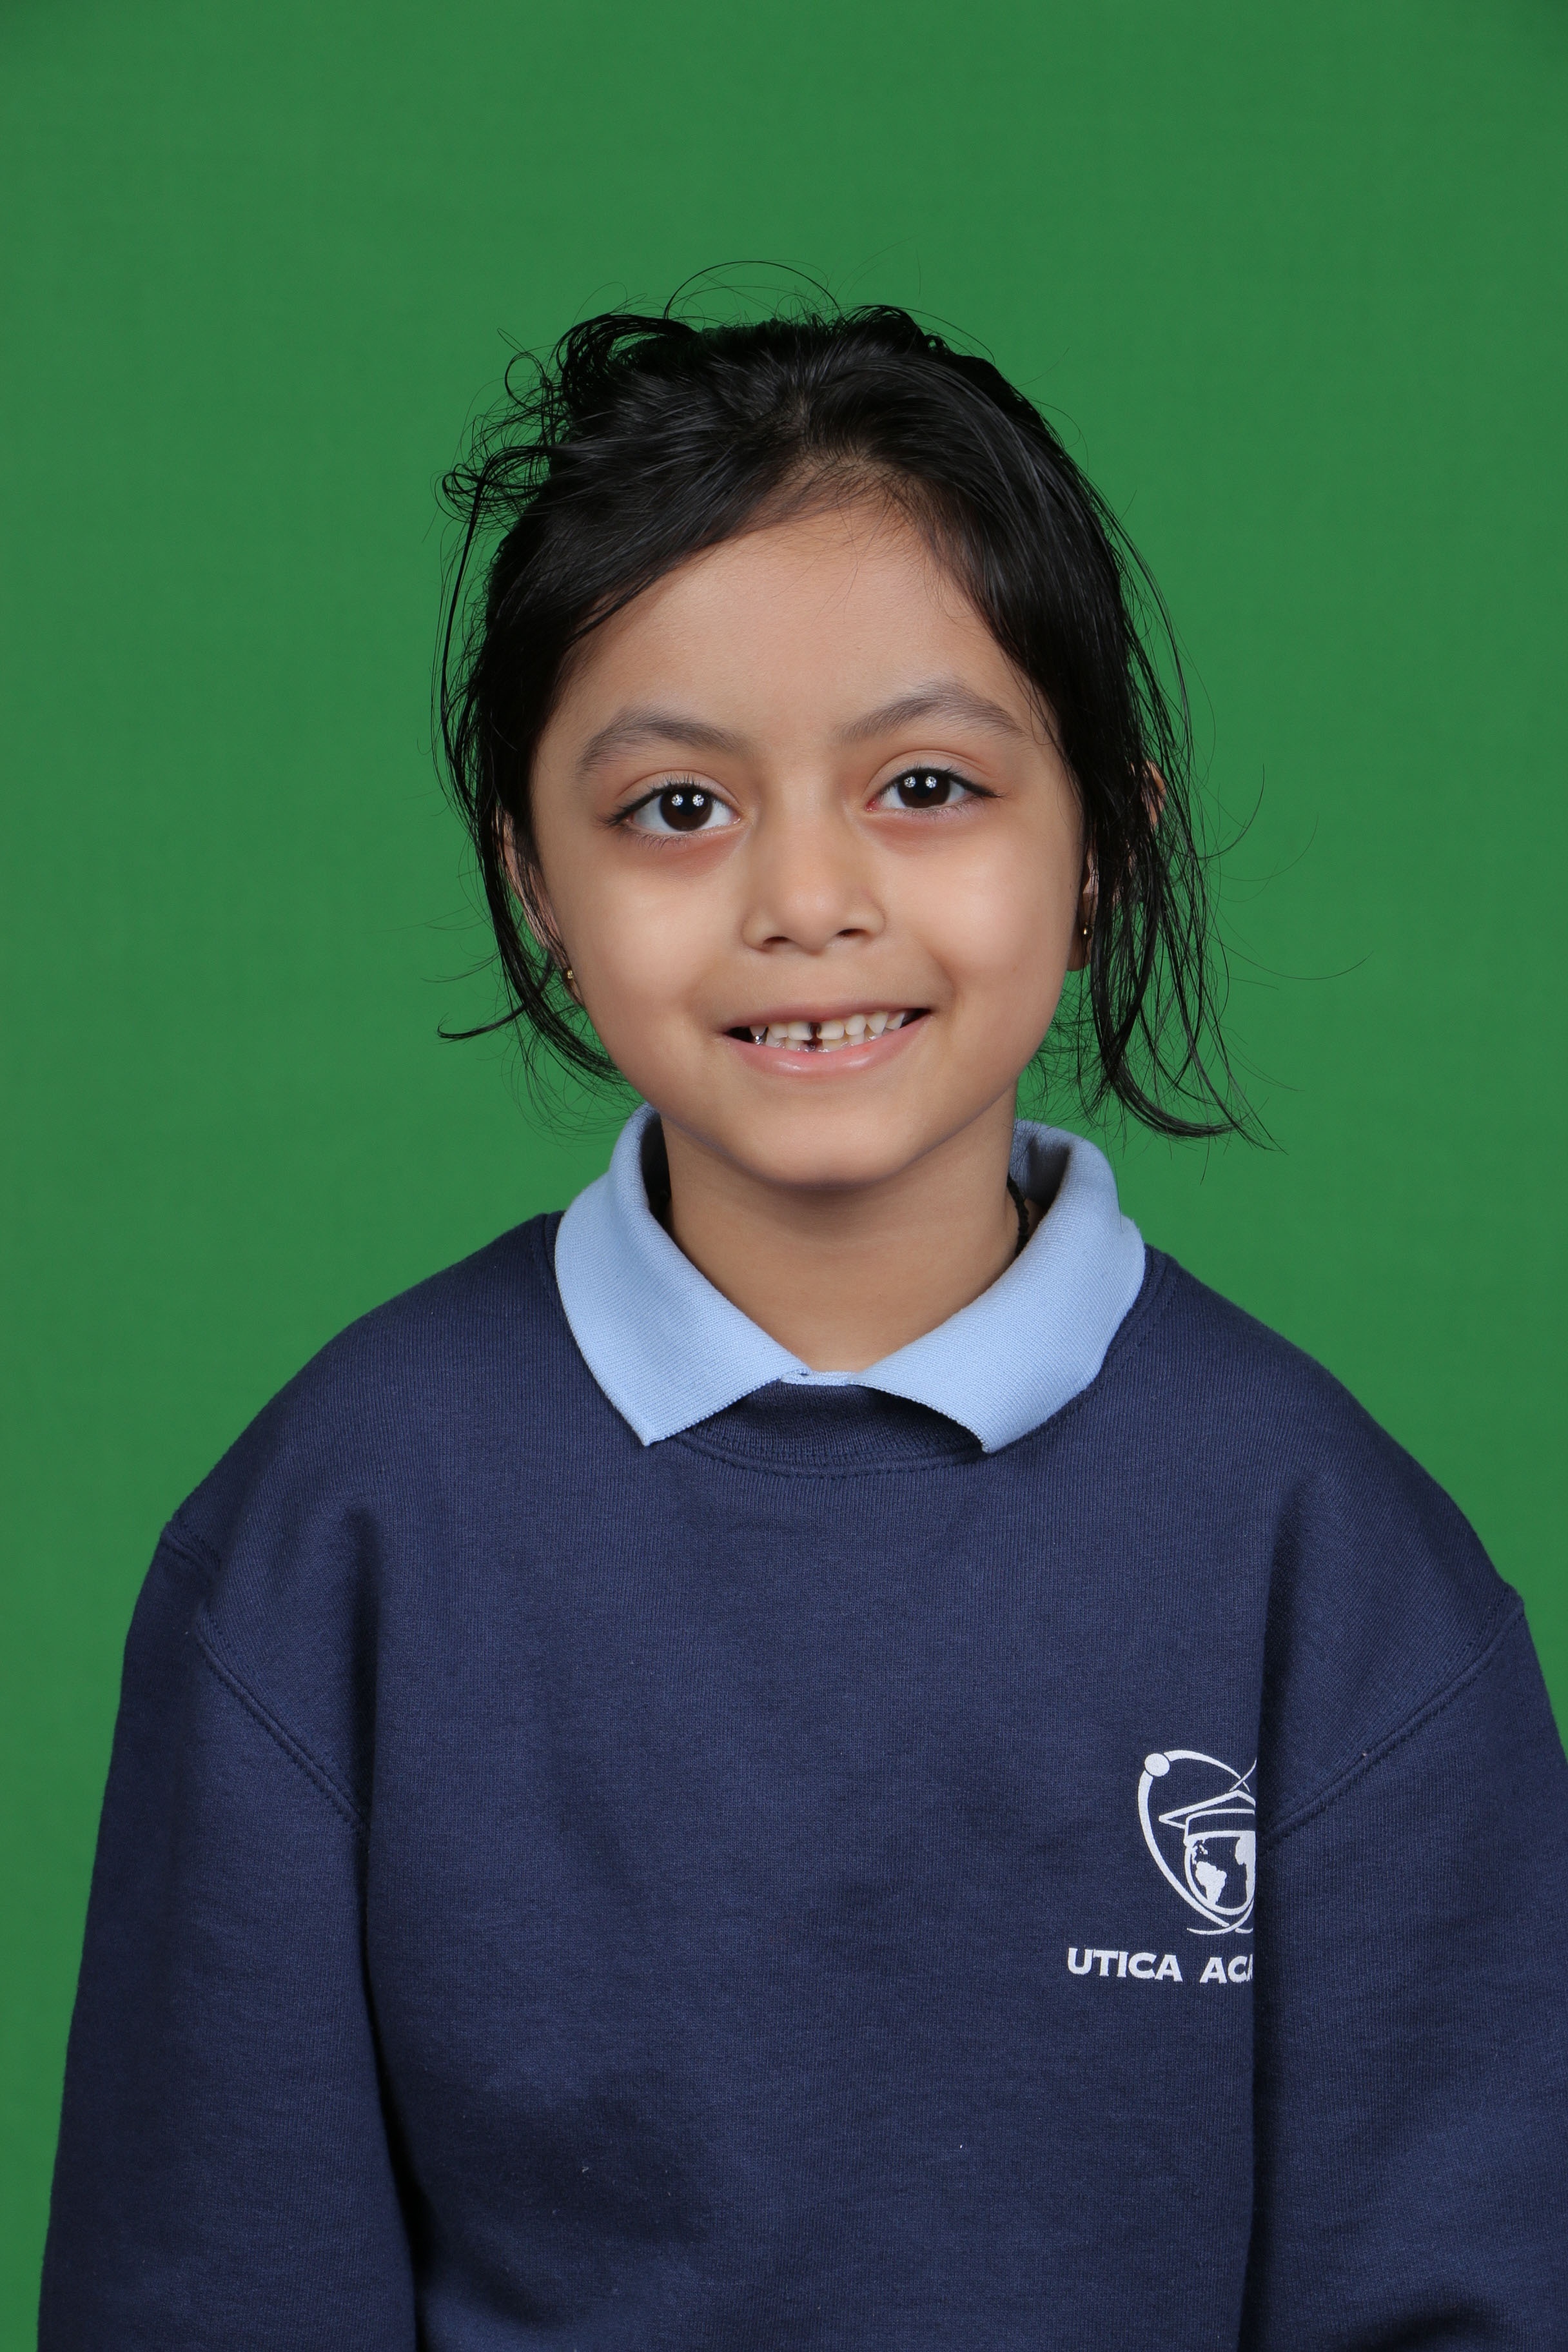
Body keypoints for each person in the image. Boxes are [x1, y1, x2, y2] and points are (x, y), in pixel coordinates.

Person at [41, 303, 1568, 2349]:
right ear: (533, 878)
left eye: (926, 783)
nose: (807, 899)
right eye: (679, 808)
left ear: (1104, 840)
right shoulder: (331, 1540)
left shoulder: (1339, 1570)